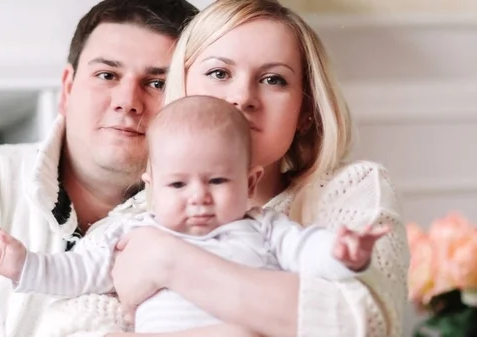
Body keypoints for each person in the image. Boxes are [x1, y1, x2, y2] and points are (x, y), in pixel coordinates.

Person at [0, 0, 199, 336]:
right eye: (107, 75)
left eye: (158, 83)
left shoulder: (207, 225)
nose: (127, 101)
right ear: (68, 88)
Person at [101, 1, 410, 337]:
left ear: (305, 110)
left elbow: (361, 325)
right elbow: (68, 324)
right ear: (182, 88)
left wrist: (167, 262)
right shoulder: (133, 218)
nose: (242, 96)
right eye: (219, 73)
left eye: (273, 79)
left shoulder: (352, 189)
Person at [0, 95, 391, 334]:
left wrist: (342, 251)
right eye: (178, 185)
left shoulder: (265, 228)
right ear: (151, 183)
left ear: (248, 182)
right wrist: (23, 265)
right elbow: (77, 272)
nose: (198, 198)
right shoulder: (130, 231)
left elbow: (309, 253)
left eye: (217, 182)